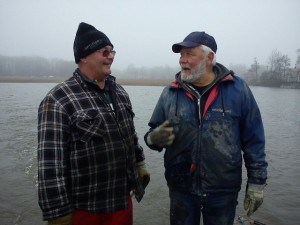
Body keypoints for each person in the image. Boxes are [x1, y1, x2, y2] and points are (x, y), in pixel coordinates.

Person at [144, 31, 268, 225]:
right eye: (181, 55)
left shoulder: (238, 89)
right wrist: (153, 139)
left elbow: (254, 141)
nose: (182, 60)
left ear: (209, 58)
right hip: (181, 188)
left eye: (189, 54)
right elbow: (150, 136)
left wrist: (257, 183)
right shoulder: (170, 92)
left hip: (223, 191)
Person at [38, 22, 150, 225]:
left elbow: (130, 136)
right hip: (85, 209)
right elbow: (50, 164)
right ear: (83, 56)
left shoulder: (120, 93)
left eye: (112, 51)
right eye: (104, 51)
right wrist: (58, 213)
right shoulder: (58, 99)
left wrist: (140, 163)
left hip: (122, 202)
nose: (111, 56)